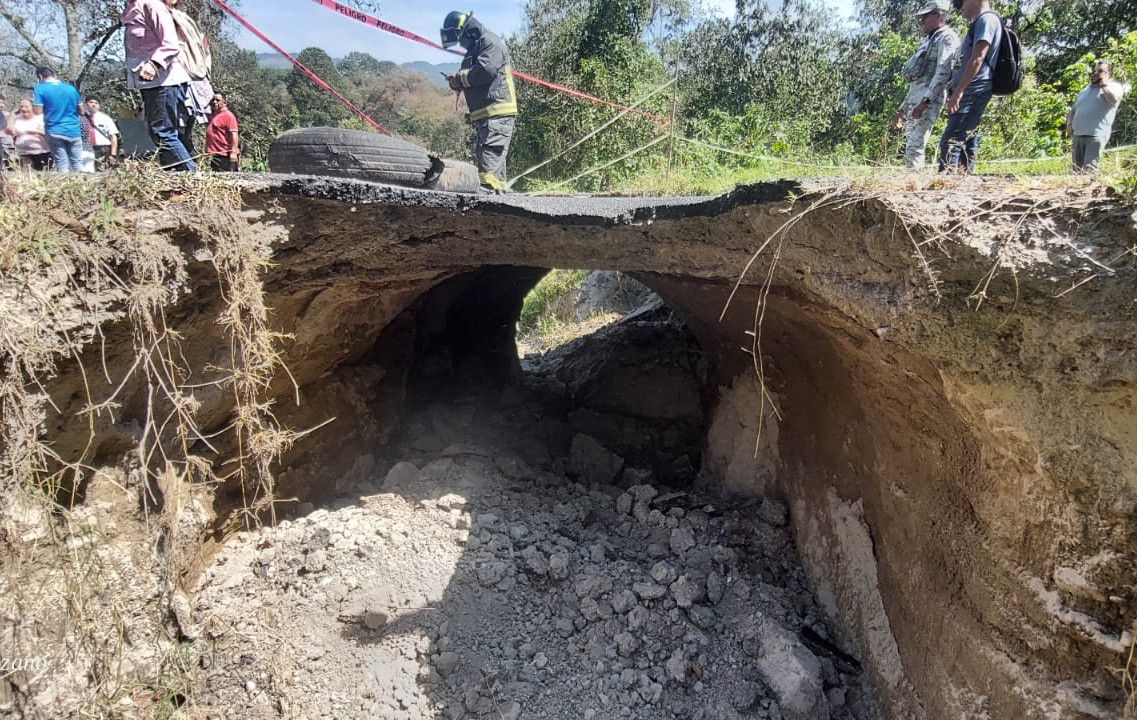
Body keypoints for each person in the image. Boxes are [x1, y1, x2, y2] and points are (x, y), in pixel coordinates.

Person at [441, 11, 518, 192]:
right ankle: (499, 207)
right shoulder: (475, 49)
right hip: (487, 115)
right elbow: (470, 78)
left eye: (461, 39)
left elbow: (485, 71)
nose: (460, 43)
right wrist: (455, 83)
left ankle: (487, 205)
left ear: (470, 32)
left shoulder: (490, 43)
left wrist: (460, 79)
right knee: (493, 172)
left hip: (497, 113)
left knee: (487, 174)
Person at [121, 0, 198, 171]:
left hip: (164, 81)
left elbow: (170, 43)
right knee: (162, 132)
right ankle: (174, 175)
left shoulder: (152, 5)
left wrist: (154, 64)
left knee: (162, 131)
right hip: (152, 83)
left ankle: (192, 177)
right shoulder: (134, 7)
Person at [893, 0, 960, 169]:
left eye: (925, 17)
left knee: (916, 144)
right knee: (910, 144)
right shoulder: (929, 40)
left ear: (938, 15)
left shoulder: (947, 38)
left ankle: (912, 185)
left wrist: (925, 101)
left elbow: (943, 73)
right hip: (915, 98)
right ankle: (910, 181)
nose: (921, 21)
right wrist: (902, 109)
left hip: (928, 100)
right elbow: (918, 81)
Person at [938, 0, 1002, 173]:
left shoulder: (986, 20)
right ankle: (962, 180)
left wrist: (959, 92)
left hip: (973, 89)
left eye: (962, 3)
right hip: (971, 89)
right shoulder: (982, 21)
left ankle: (945, 184)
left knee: (951, 140)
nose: (961, 8)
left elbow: (978, 57)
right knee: (967, 140)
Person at [1067, 61, 1130, 173]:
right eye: (1094, 71)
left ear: (1108, 73)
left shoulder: (1114, 87)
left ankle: (1087, 190)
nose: (1096, 73)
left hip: (1096, 135)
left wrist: (1103, 84)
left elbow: (1114, 100)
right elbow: (1073, 110)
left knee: (1090, 170)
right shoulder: (1086, 90)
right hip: (1078, 135)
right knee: (1076, 171)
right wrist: (1069, 124)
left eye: (1100, 71)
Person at [32, 67, 84, 172]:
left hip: (54, 130)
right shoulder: (71, 88)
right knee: (78, 164)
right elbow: (82, 111)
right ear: (54, 75)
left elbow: (37, 111)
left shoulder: (40, 88)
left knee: (62, 164)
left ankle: (65, 187)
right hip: (73, 130)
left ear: (40, 77)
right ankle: (82, 186)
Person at [4, 99, 51, 170]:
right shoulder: (18, 119)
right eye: (21, 107)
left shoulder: (41, 118)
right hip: (23, 154)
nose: (23, 109)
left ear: (33, 107)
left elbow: (49, 134)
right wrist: (12, 116)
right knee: (26, 176)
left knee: (42, 177)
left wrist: (34, 132)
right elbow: (8, 130)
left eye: (26, 107)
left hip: (41, 154)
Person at [205, 92, 239, 171]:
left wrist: (233, 153)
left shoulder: (228, 116)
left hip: (225, 156)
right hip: (216, 155)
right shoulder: (214, 115)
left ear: (225, 102)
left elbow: (234, 134)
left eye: (218, 100)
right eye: (213, 100)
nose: (214, 102)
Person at [85, 97, 121, 168]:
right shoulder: (80, 118)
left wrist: (113, 155)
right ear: (85, 104)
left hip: (102, 149)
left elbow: (113, 137)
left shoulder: (105, 118)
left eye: (96, 103)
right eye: (91, 102)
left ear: (99, 106)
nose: (94, 105)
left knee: (101, 173)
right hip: (86, 149)